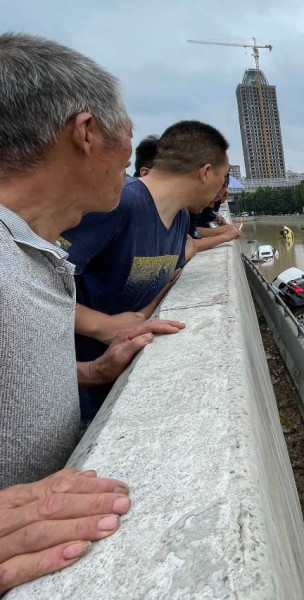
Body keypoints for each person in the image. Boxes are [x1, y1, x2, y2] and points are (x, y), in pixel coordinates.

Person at [0, 32, 184, 592]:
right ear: (85, 134)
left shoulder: (34, 252)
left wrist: (87, 371)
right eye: (126, 154)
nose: (129, 175)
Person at [60, 120, 238, 422]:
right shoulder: (118, 204)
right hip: (73, 392)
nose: (220, 193)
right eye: (222, 180)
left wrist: (141, 319)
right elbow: (28, 283)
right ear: (206, 173)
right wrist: (103, 325)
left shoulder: (181, 218)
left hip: (118, 384)